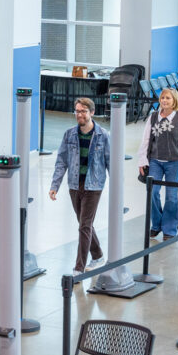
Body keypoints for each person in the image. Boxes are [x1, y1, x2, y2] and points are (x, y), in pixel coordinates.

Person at [49, 97, 109, 282]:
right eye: (77, 111)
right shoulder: (69, 135)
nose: (79, 114)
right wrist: (55, 185)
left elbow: (110, 162)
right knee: (85, 224)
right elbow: (61, 161)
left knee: (84, 225)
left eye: (83, 111)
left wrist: (117, 191)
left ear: (92, 112)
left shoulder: (103, 135)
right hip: (75, 184)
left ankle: (79, 268)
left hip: (94, 185)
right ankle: (98, 255)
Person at [136, 88, 178, 240]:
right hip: (155, 161)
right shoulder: (153, 117)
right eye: (163, 98)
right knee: (152, 193)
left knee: (171, 197)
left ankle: (170, 229)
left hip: (174, 163)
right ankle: (156, 225)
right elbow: (145, 140)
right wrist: (142, 160)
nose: (164, 100)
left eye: (168, 98)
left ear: (174, 101)